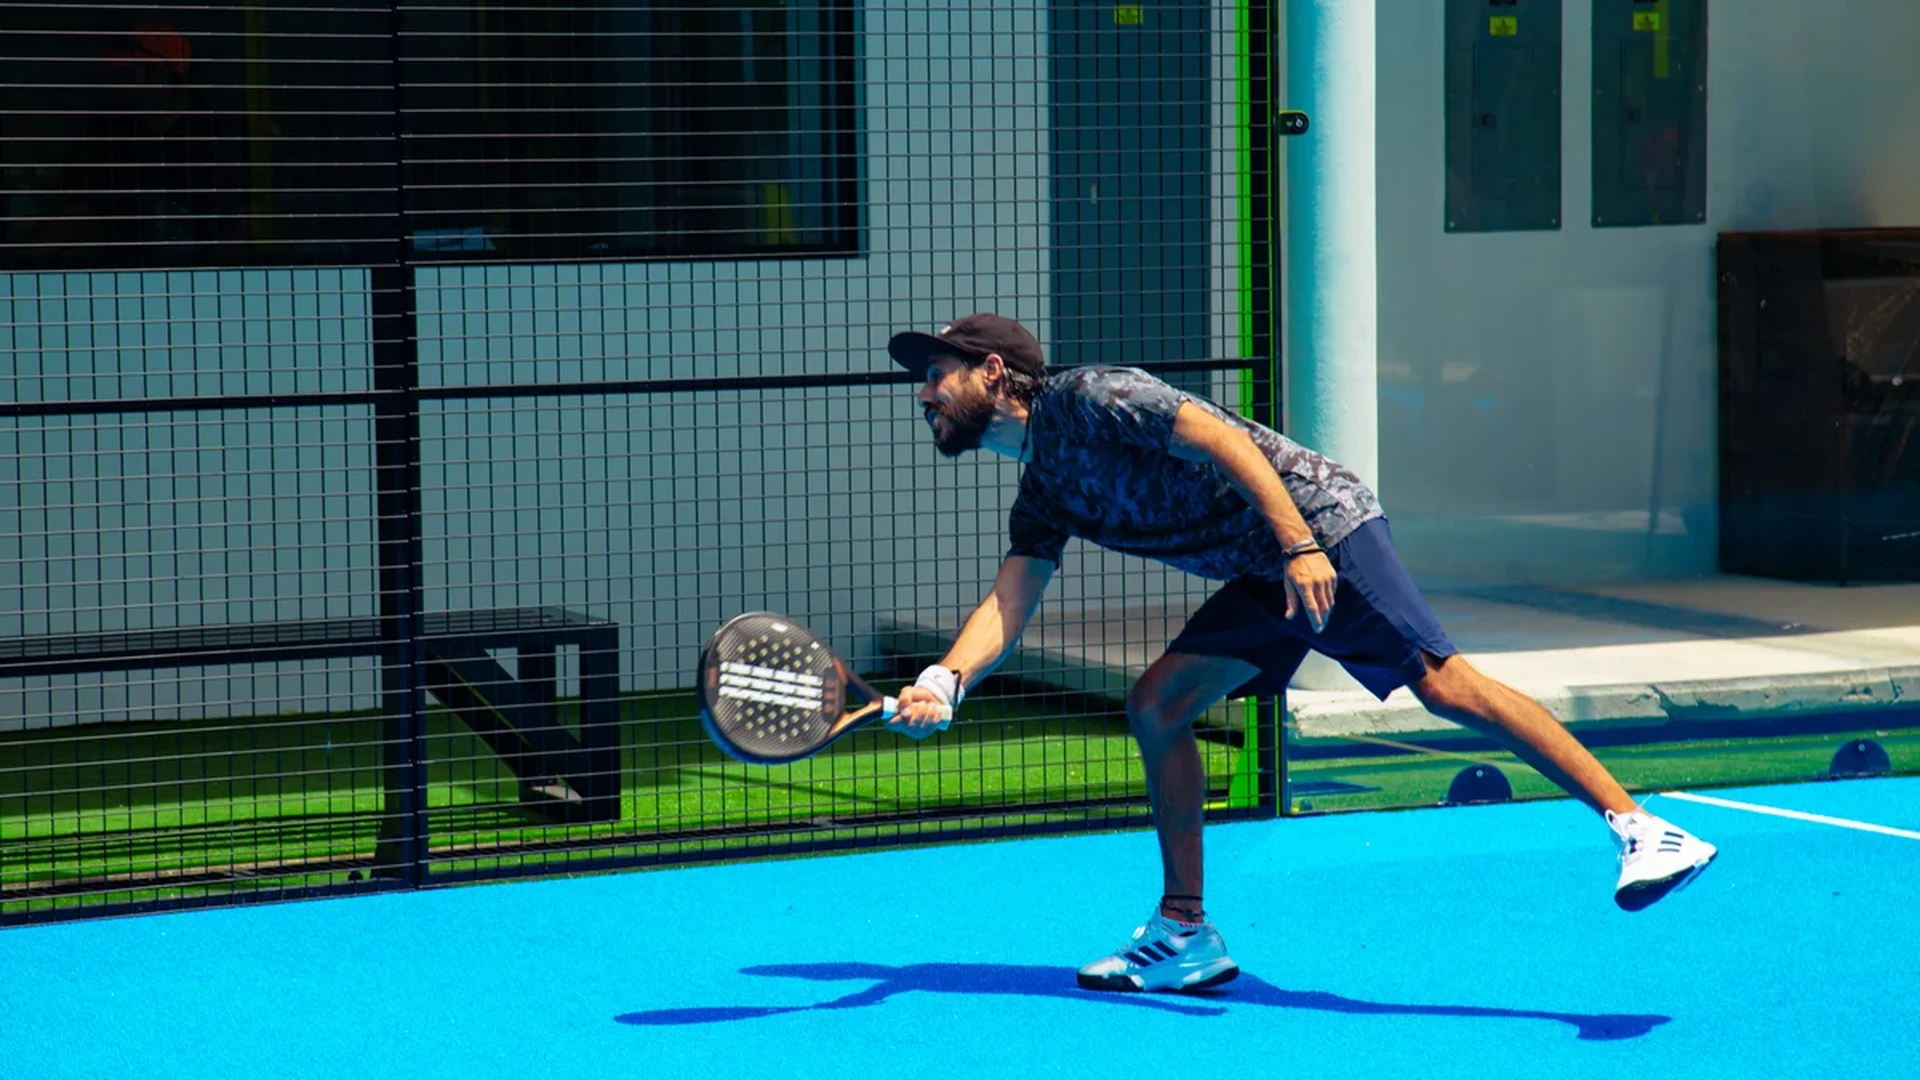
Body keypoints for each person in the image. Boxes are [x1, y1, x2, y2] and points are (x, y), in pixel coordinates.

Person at [882, 312, 1719, 994]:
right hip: (1260, 567)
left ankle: (1643, 829)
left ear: (993, 372)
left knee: (1444, 684)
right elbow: (1011, 598)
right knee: (1158, 704)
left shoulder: (1087, 397)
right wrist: (946, 679)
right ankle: (1185, 933)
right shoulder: (1043, 490)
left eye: (936, 373)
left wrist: (1299, 545)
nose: (922, 391)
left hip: (1317, 525)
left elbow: (1222, 437)